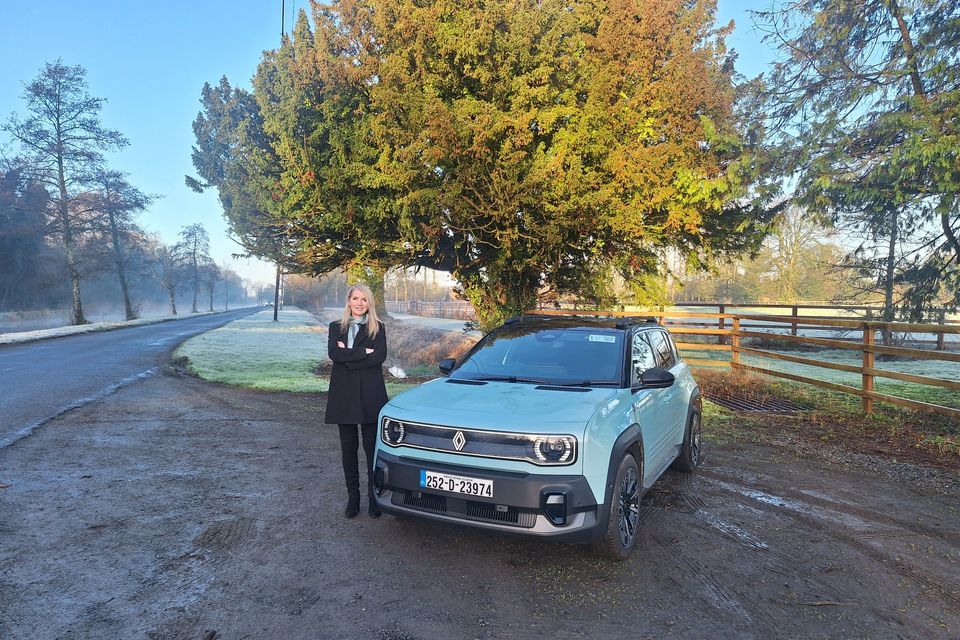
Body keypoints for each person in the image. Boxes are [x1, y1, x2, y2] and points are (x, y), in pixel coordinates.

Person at [325, 283, 388, 518]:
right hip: (344, 394)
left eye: (364, 299)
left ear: (369, 303)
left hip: (370, 394)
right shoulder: (335, 327)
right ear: (348, 301)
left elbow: (379, 357)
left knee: (372, 448)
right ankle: (353, 498)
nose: (359, 303)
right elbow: (334, 354)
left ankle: (374, 498)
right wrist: (364, 353)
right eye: (355, 299)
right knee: (348, 448)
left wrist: (348, 357)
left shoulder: (377, 328)